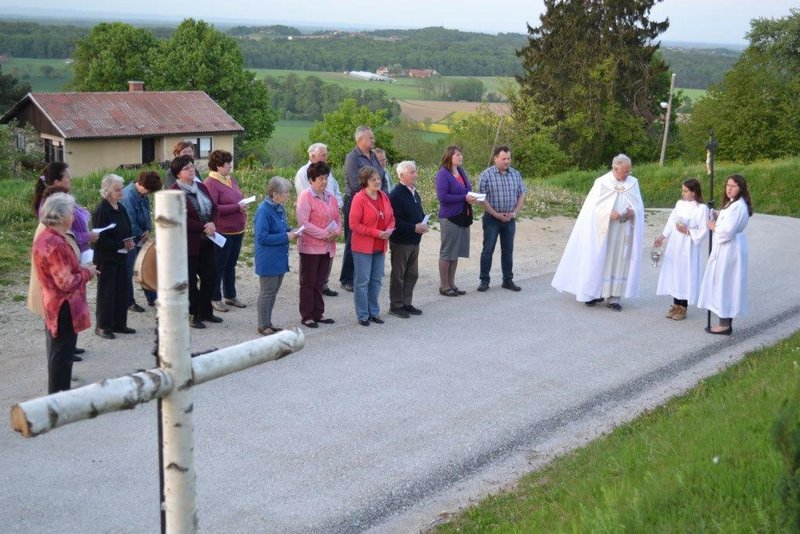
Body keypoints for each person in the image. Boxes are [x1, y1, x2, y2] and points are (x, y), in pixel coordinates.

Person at [551, 154, 645, 311]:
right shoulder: (602, 182)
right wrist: (609, 212)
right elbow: (591, 208)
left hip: (623, 231)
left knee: (618, 261)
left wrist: (633, 212)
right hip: (602, 231)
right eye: (625, 171)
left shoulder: (633, 183)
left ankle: (614, 297)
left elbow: (639, 205)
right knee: (598, 259)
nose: (628, 174)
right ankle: (593, 293)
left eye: (629, 170)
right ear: (615, 168)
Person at [31, 162, 98, 357]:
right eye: (67, 177)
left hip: (61, 293)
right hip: (59, 299)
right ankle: (62, 357)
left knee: (62, 342)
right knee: (58, 346)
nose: (71, 180)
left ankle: (66, 348)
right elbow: (66, 282)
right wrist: (86, 271)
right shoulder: (54, 238)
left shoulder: (55, 232)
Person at [33, 193, 97, 392]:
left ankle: (60, 392)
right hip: (63, 306)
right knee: (62, 354)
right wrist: (87, 271)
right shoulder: (55, 244)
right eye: (71, 212)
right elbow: (67, 282)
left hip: (55, 304)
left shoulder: (50, 236)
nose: (74, 216)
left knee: (60, 352)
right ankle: (59, 399)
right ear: (61, 216)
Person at [170, 155, 221, 329]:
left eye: (192, 166)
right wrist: (202, 226)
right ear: (178, 173)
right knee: (191, 282)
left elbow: (214, 207)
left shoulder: (201, 186)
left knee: (210, 276)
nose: (191, 169)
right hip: (188, 244)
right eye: (186, 168)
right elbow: (180, 218)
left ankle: (207, 311)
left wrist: (212, 222)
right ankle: (194, 314)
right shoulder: (174, 191)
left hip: (207, 242)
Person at [697, 174, 753, 335]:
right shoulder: (734, 204)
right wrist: (718, 216)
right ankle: (725, 321)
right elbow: (729, 222)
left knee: (725, 284)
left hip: (729, 249)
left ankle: (724, 324)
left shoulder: (737, 206)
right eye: (728, 185)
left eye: (733, 186)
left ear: (740, 188)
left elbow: (727, 231)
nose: (729, 188)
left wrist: (713, 226)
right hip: (731, 247)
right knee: (727, 283)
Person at [340, 126, 388, 292]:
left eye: (373, 138)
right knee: (352, 239)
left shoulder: (373, 156)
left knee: (371, 238)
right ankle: (347, 278)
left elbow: (381, 177)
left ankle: (364, 274)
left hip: (376, 202)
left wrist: (384, 198)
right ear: (359, 140)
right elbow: (355, 184)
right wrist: (370, 197)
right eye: (370, 138)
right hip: (356, 202)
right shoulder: (352, 158)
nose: (373, 141)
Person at [654, 178, 709, 321]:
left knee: (685, 274)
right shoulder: (679, 204)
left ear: (694, 192)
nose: (683, 193)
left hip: (688, 245)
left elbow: (704, 229)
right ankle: (675, 304)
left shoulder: (701, 209)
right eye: (682, 190)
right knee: (674, 272)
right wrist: (663, 236)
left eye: (685, 191)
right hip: (675, 244)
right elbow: (671, 221)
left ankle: (683, 307)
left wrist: (687, 231)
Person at [294, 142, 343, 297]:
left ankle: (323, 285)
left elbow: (336, 191)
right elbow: (306, 208)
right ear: (312, 155)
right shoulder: (304, 173)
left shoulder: (327, 172)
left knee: (323, 268)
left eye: (326, 154)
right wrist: (324, 233)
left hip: (329, 229)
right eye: (323, 154)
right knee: (309, 275)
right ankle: (308, 297)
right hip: (313, 233)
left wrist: (336, 230)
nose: (326, 157)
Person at [296, 162, 341, 328]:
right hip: (311, 247)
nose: (324, 181)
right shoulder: (305, 197)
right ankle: (307, 315)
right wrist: (324, 235)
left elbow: (337, 218)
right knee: (308, 282)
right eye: (320, 178)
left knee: (320, 282)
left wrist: (337, 231)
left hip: (328, 247)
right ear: (311, 180)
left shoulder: (330, 196)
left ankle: (318, 313)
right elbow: (304, 223)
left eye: (326, 178)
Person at [349, 166, 395, 326]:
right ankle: (363, 315)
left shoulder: (384, 196)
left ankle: (374, 312)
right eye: (373, 179)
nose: (377, 181)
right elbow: (353, 224)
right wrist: (376, 233)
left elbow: (391, 217)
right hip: (363, 246)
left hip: (381, 244)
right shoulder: (359, 199)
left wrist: (389, 229)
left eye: (378, 179)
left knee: (376, 280)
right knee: (362, 281)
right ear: (365, 182)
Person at [477, 145, 526, 292]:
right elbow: (481, 199)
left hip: (510, 219)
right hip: (492, 218)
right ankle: (484, 280)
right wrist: (495, 214)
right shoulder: (486, 175)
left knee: (508, 250)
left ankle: (508, 280)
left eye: (509, 158)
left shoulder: (516, 174)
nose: (507, 161)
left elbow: (521, 194)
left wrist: (514, 213)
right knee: (488, 250)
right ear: (495, 158)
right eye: (503, 158)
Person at [92, 174, 136, 339]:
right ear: (107, 191)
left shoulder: (121, 207)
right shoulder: (102, 210)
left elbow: (128, 228)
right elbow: (99, 239)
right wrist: (120, 244)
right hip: (106, 257)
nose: (121, 193)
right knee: (107, 292)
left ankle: (119, 323)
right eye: (117, 190)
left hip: (122, 256)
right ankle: (102, 326)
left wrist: (130, 240)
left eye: (121, 189)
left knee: (122, 290)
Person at [254, 177, 299, 336]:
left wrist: (293, 231)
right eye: (285, 192)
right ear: (274, 194)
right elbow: (262, 237)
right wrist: (286, 237)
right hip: (268, 259)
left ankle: (268, 322)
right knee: (267, 292)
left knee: (272, 292)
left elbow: (281, 228)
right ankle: (262, 325)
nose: (288, 195)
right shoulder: (263, 210)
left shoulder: (279, 207)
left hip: (279, 258)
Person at [204, 149, 247, 312]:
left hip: (237, 229)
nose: (230, 166)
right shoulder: (210, 183)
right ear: (218, 166)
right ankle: (214, 297)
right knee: (218, 266)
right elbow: (213, 208)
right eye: (227, 163)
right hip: (222, 231)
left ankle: (230, 295)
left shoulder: (231, 180)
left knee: (231, 264)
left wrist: (242, 206)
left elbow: (237, 198)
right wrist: (236, 207)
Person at [435, 145, 477, 296]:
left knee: (456, 251)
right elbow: (442, 197)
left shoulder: (460, 171)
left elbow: (466, 191)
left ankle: (452, 284)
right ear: (449, 156)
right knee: (447, 252)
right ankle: (444, 286)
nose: (460, 157)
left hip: (463, 216)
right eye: (457, 155)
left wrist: (472, 198)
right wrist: (464, 198)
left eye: (461, 154)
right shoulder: (443, 174)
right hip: (450, 217)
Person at [388, 161, 428, 317]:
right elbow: (395, 220)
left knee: (412, 274)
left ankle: (407, 303)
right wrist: (414, 227)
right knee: (399, 275)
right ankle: (396, 306)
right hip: (401, 241)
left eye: (415, 171)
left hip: (414, 240)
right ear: (402, 175)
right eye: (412, 172)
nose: (416, 175)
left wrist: (425, 221)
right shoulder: (396, 194)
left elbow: (419, 212)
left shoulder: (414, 192)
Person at [121, 170, 162, 312]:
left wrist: (147, 229)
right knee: (129, 270)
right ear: (143, 185)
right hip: (130, 239)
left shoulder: (142, 194)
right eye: (149, 190)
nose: (149, 194)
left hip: (141, 237)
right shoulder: (128, 195)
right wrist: (140, 233)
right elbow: (130, 221)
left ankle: (152, 298)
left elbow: (147, 213)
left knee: (145, 267)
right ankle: (128, 301)